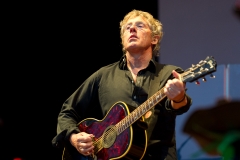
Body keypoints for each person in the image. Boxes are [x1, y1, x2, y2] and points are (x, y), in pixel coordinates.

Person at [52, 9, 192, 160]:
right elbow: (67, 112)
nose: (132, 29)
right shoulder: (103, 75)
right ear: (123, 39)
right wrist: (74, 137)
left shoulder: (169, 73)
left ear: (154, 39)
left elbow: (179, 105)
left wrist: (178, 97)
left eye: (140, 26)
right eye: (127, 27)